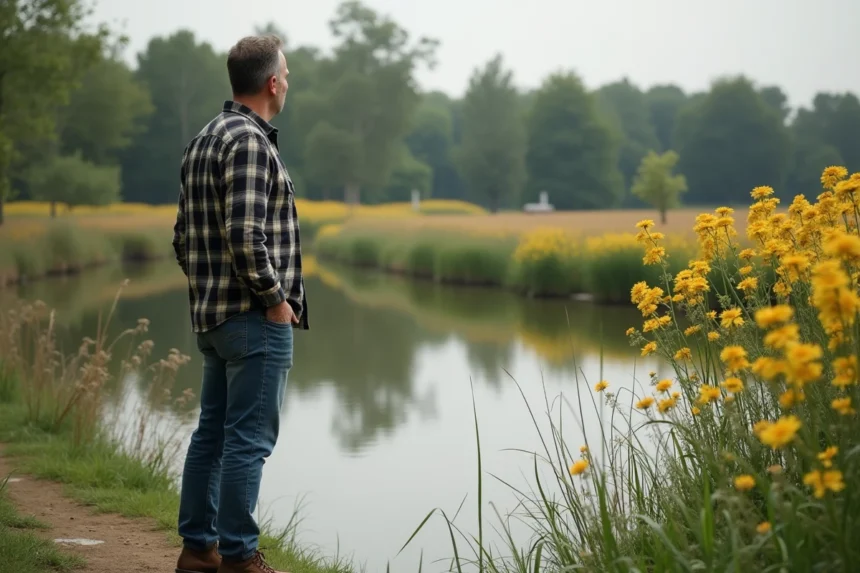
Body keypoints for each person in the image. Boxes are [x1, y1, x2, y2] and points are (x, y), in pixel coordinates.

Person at [172, 33, 308, 573]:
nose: (289, 82)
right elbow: (246, 236)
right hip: (252, 320)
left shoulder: (204, 138)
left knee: (212, 435)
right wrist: (274, 301)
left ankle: (197, 549)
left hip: (214, 319)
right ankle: (238, 556)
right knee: (248, 441)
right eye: (288, 73)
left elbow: (183, 240)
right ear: (272, 82)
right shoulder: (250, 142)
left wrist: (208, 288)